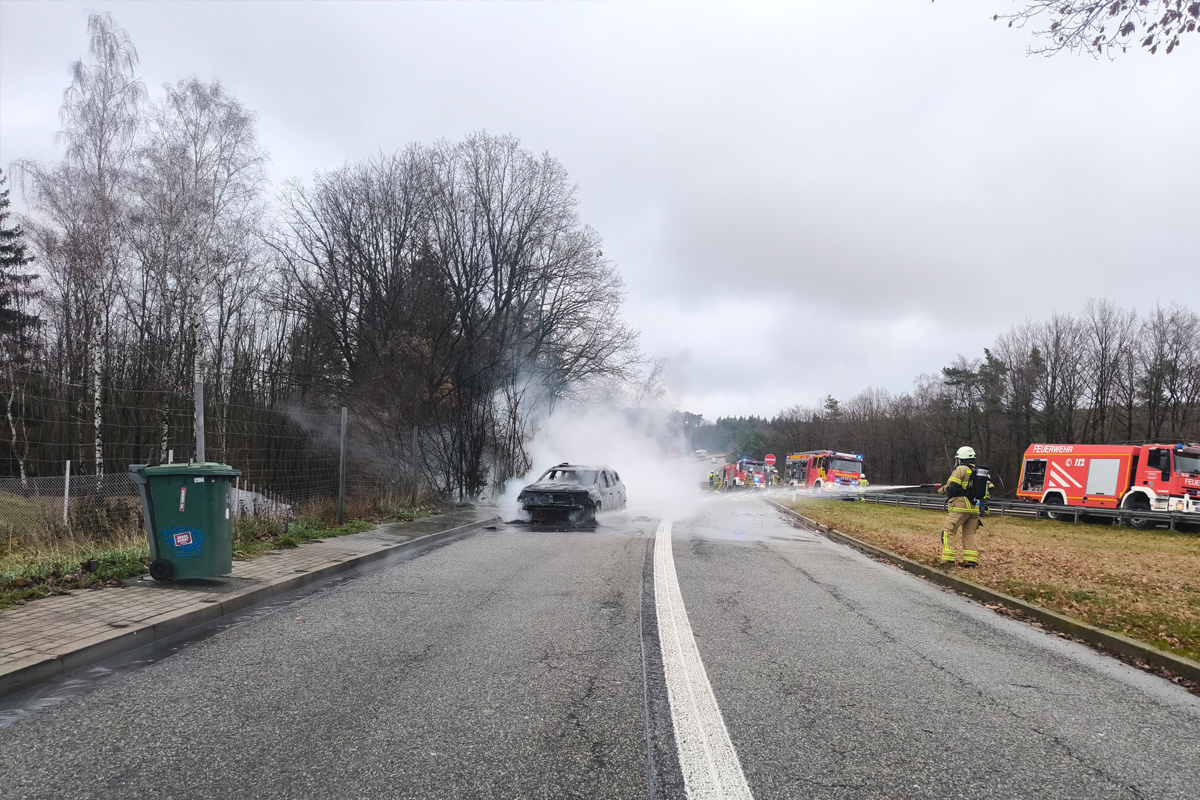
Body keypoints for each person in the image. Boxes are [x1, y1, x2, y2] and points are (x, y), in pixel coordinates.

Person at [937, 446, 983, 567]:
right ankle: (971, 561)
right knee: (970, 533)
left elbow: (952, 487)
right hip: (974, 508)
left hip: (960, 507)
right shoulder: (979, 471)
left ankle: (948, 560)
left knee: (948, 531)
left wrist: (942, 490)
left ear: (960, 458)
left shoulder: (961, 469)